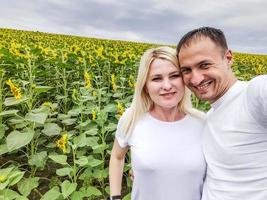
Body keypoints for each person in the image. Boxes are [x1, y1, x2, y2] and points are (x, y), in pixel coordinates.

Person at [176, 26, 267, 200]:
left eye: (204, 65)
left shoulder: (253, 95)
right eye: (186, 70)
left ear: (228, 58)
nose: (195, 79)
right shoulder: (209, 117)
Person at [108, 46, 206, 200]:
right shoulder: (132, 119)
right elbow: (117, 157)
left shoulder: (202, 123)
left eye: (174, 76)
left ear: (184, 80)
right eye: (156, 78)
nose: (167, 86)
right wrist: (115, 197)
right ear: (145, 86)